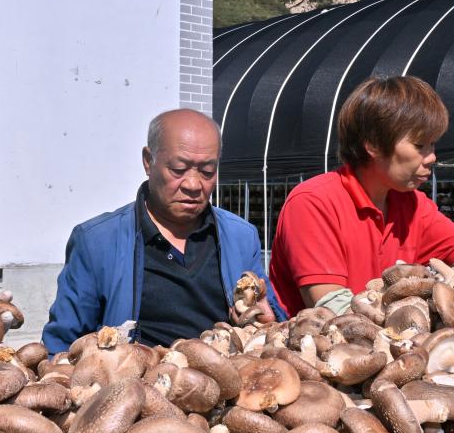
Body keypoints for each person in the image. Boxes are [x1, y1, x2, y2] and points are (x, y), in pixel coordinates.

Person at [42, 109, 286, 353]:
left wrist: (267, 320)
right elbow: (61, 346)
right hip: (134, 375)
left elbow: (273, 323)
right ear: (148, 161)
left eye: (207, 171)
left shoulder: (240, 237)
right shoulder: (97, 242)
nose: (193, 184)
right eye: (178, 169)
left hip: (227, 372)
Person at [268, 76, 454, 316]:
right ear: (374, 145)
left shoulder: (413, 205)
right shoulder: (313, 203)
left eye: (432, 144)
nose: (432, 157)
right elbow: (332, 308)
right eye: (420, 145)